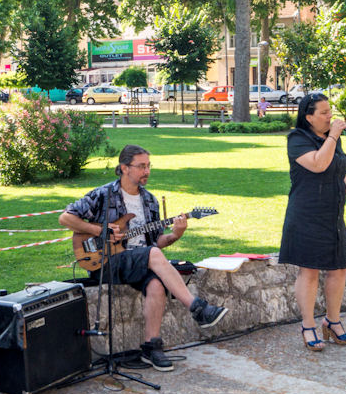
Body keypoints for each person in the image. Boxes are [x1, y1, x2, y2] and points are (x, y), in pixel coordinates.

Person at [59, 145, 229, 371]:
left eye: (148, 166)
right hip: (105, 261)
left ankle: (151, 347)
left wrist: (176, 235)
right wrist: (99, 230)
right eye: (141, 166)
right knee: (153, 255)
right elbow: (65, 218)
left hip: (139, 261)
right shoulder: (103, 194)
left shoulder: (150, 201)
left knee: (156, 284)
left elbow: (156, 241)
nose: (146, 171)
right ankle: (197, 308)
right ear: (124, 168)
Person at [278, 94, 346, 351]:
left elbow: (335, 165)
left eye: (330, 111)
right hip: (307, 214)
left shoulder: (332, 138)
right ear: (309, 117)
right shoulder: (297, 139)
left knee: (339, 268)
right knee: (310, 270)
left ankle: (332, 321)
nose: (330, 117)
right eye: (324, 113)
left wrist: (344, 184)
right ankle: (308, 325)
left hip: (333, 214)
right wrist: (334, 135)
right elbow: (317, 164)